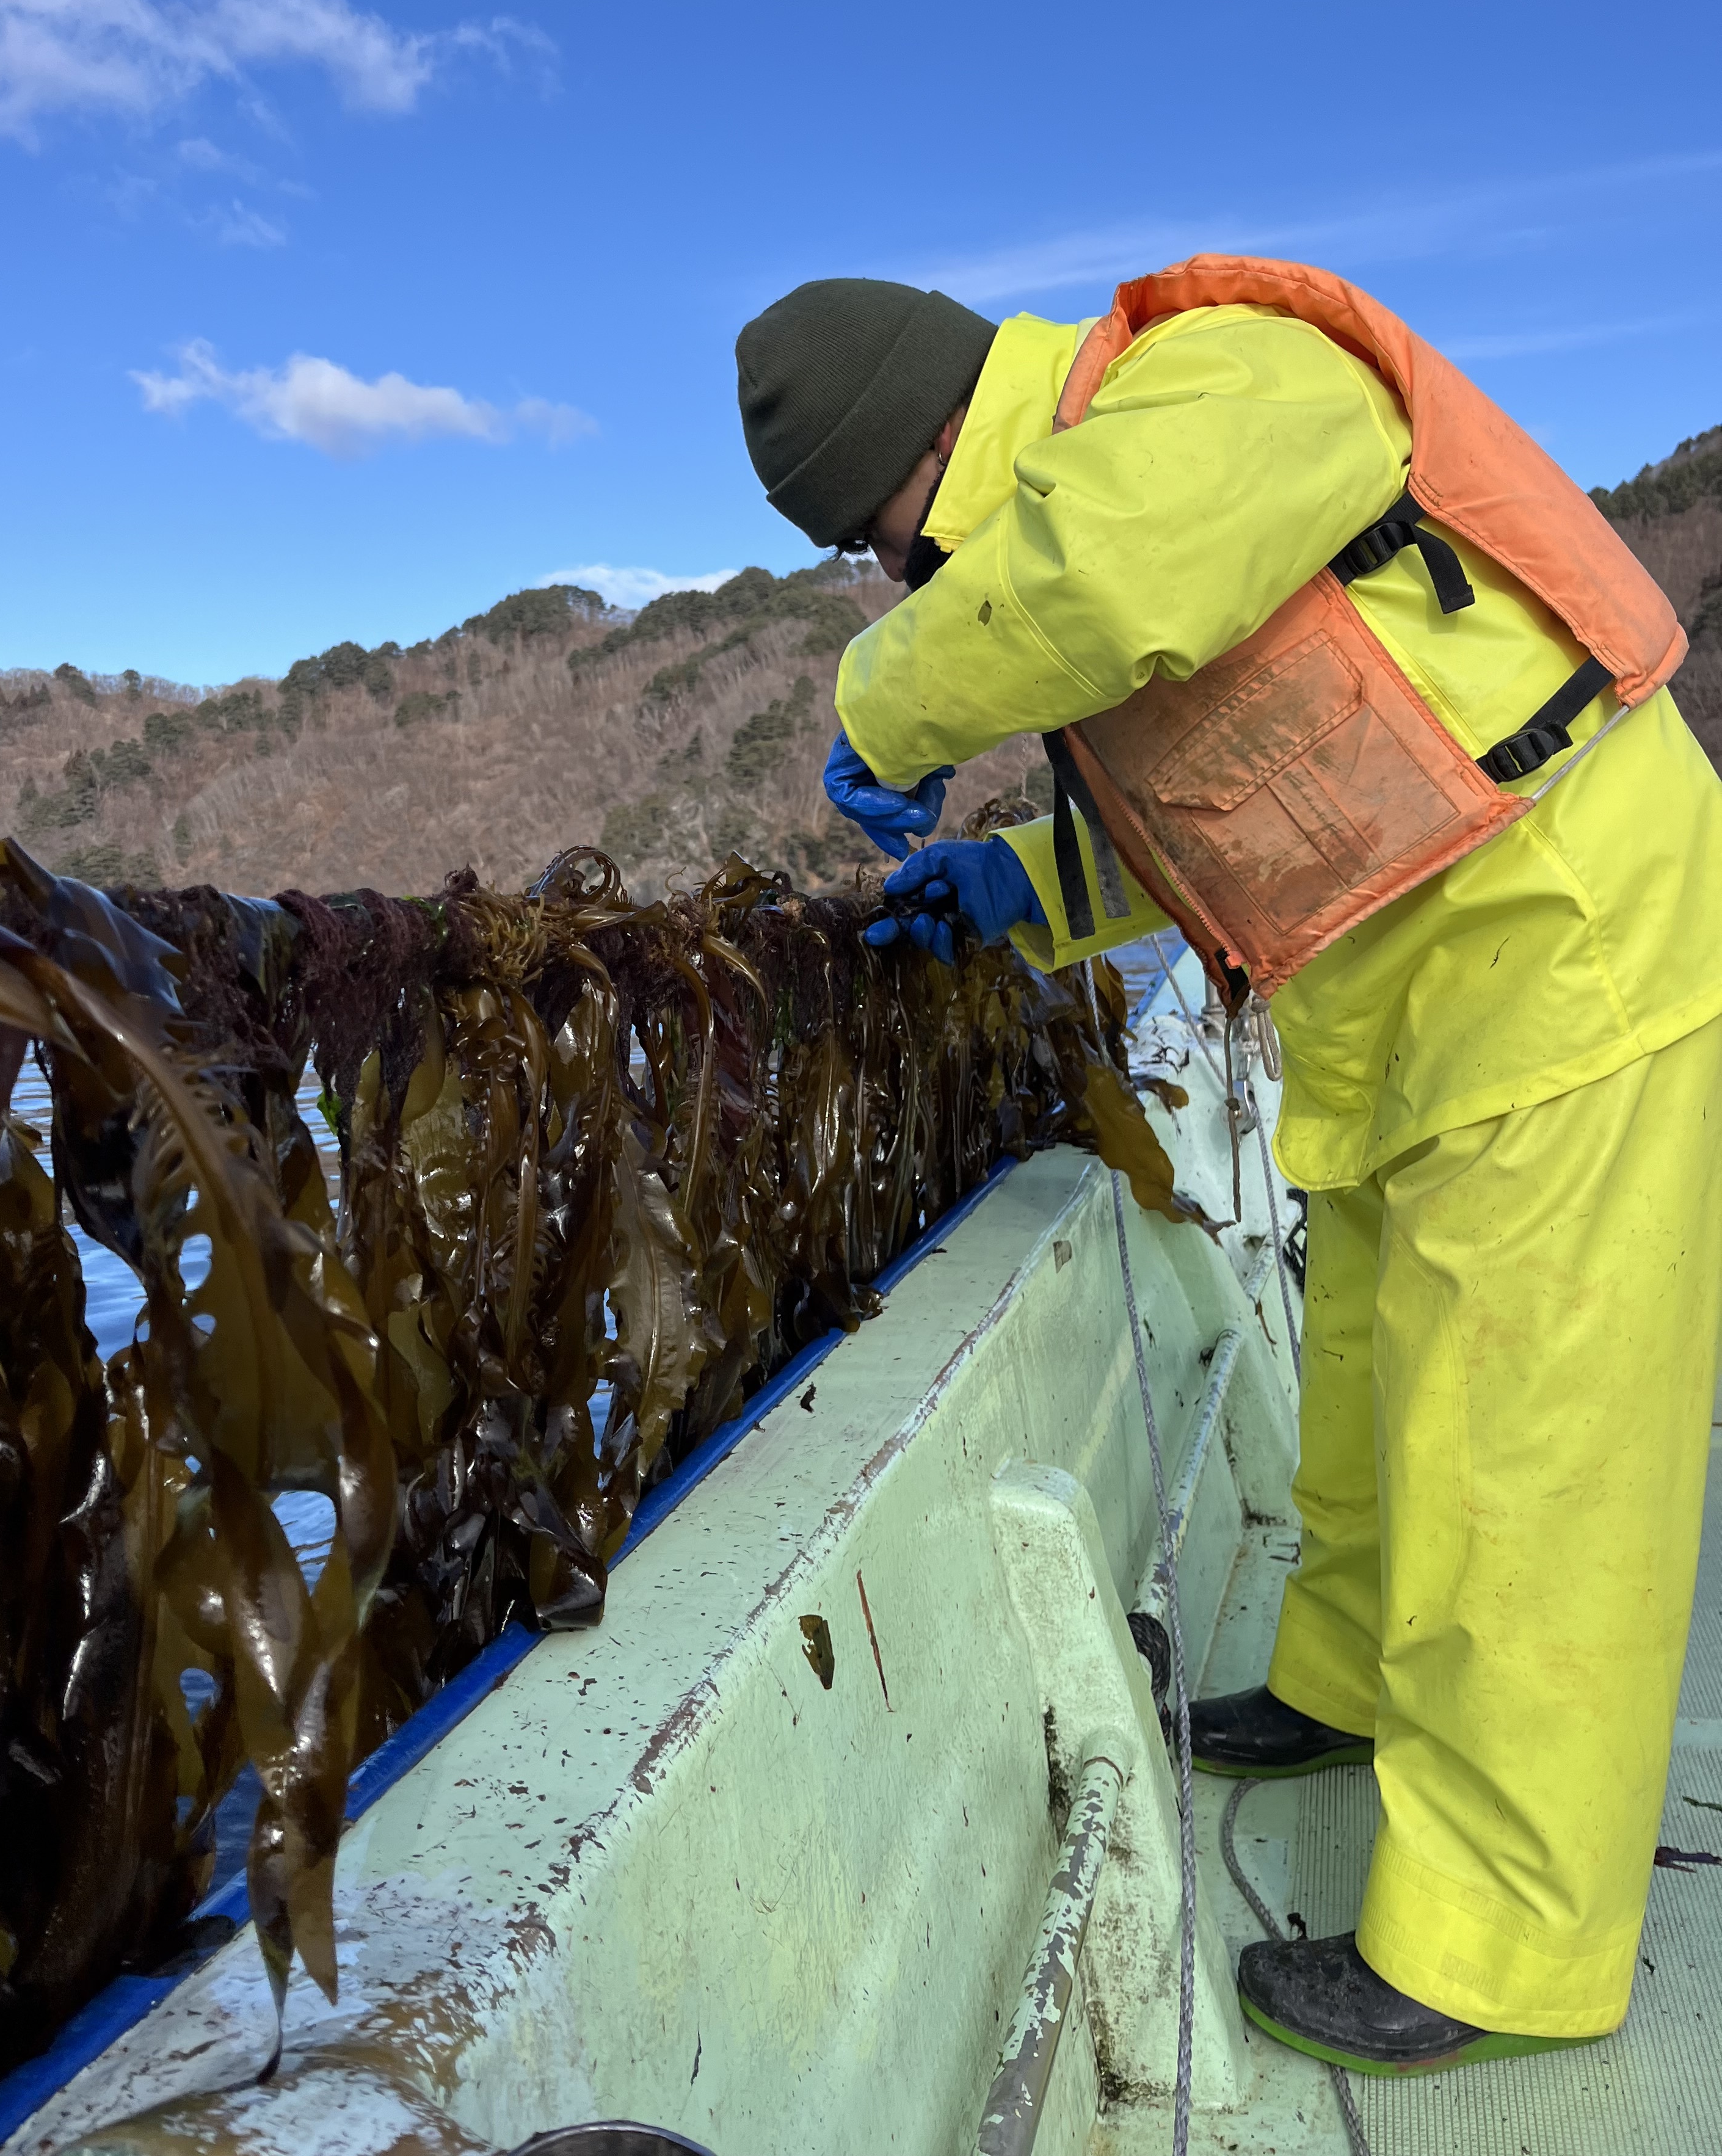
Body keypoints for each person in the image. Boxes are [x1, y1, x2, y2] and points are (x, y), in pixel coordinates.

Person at [733, 261, 1722, 2075]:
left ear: (933, 450)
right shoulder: (1095, 517)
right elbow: (1248, 781)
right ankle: (1344, 1682)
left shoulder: (1207, 386)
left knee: (1524, 1458)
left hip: (1571, 956)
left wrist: (890, 700)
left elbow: (1111, 585)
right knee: (1361, 1392)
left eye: (884, 545)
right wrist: (1031, 890)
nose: (895, 585)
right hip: (1418, 1009)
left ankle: (1502, 1947)